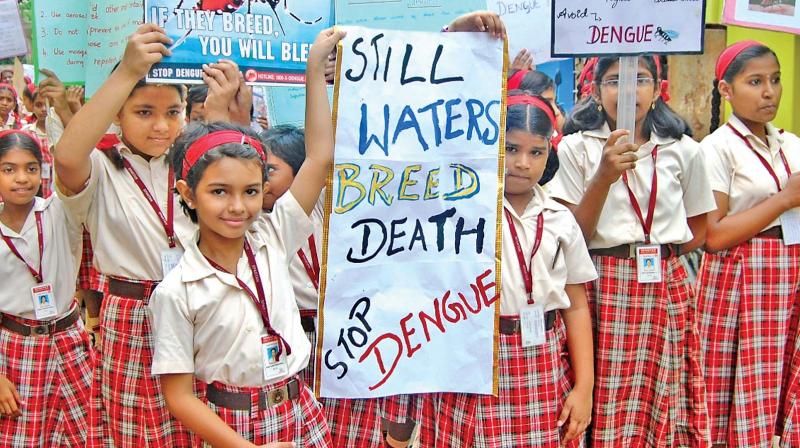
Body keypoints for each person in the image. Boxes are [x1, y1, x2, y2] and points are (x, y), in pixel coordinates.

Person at [148, 26, 344, 448]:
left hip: (298, 411)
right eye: (220, 192)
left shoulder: (273, 237)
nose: (238, 206)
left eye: (251, 191)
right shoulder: (176, 291)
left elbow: (320, 155)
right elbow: (179, 396)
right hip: (231, 428)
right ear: (187, 194)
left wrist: (313, 69)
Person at [53, 23, 220, 447]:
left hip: (198, 306)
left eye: (172, 112)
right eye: (144, 112)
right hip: (132, 314)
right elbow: (67, 157)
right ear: (118, 113)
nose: (161, 126)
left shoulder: (196, 165)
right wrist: (126, 72)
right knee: (138, 426)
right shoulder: (103, 167)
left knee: (200, 420)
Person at [550, 54, 715, 446]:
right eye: (613, 81)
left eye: (640, 79)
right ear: (595, 91)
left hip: (663, 283)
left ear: (657, 90)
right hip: (600, 282)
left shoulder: (683, 149)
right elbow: (574, 234)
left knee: (661, 391)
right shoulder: (576, 148)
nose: (627, 90)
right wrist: (604, 177)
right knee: (602, 390)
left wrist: (658, 253)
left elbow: (699, 228)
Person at [470, 92, 595, 447]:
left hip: (545, 357)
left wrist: (584, 387)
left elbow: (576, 303)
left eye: (535, 152)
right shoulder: (470, 210)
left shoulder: (560, 219)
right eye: (510, 149)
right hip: (483, 357)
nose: (522, 163)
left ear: (548, 155)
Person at [697, 40, 800, 447]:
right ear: (726, 89)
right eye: (755, 82)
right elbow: (714, 235)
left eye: (774, 80)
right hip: (743, 273)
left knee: (781, 379)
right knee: (739, 382)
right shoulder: (717, 149)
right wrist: (784, 199)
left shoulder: (791, 143)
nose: (769, 92)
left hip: (789, 268)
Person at [0, 130, 93, 447]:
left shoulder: (59, 210)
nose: (21, 178)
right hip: (16, 349)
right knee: (22, 435)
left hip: (69, 340)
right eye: (8, 169)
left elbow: (77, 169)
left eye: (31, 168)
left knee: (87, 432)